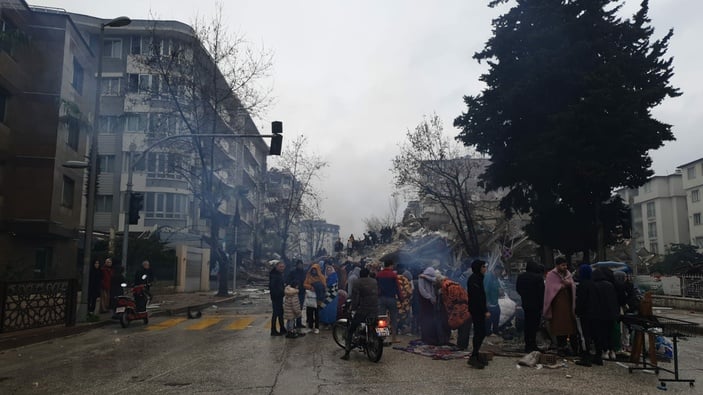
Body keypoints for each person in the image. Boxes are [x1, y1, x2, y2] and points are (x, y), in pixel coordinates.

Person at [341, 268, 379, 360]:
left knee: (351, 329)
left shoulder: (357, 282)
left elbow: (355, 298)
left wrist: (352, 308)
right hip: (376, 308)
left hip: (363, 309)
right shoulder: (374, 281)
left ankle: (347, 353)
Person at [543, 257, 577, 356]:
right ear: (557, 265)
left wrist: (569, 284)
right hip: (557, 305)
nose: (565, 267)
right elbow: (550, 289)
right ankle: (561, 347)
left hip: (567, 304)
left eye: (565, 265)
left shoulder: (568, 274)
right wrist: (561, 286)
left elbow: (573, 285)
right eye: (562, 265)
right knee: (559, 327)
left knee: (568, 327)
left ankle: (566, 346)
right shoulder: (551, 275)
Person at [516, 260, 545, 352]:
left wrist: (524, 296)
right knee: (534, 325)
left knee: (527, 324)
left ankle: (527, 344)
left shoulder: (521, 277)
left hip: (526, 303)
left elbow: (518, 289)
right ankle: (532, 344)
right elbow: (541, 292)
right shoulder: (538, 278)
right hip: (536, 305)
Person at [593, 267, 620, 362]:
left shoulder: (594, 285)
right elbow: (614, 300)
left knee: (601, 333)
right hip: (611, 313)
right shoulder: (610, 285)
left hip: (599, 314)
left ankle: (605, 351)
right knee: (610, 332)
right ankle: (612, 351)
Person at [575, 264, 599, 366]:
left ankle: (586, 356)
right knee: (594, 334)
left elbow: (581, 301)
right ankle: (597, 356)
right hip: (595, 313)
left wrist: (577, 311)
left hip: (584, 314)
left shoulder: (582, 285)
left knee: (584, 335)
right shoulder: (594, 284)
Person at [467, 259, 490, 369]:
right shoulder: (474, 279)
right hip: (477, 310)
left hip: (478, 309)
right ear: (478, 268)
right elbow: (477, 297)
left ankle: (475, 355)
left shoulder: (479, 278)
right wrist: (484, 310)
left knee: (481, 332)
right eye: (483, 267)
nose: (485, 269)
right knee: (479, 332)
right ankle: (473, 356)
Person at [376, 259, 403, 343]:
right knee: (393, 318)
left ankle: (382, 337)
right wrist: (401, 299)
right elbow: (398, 288)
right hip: (391, 298)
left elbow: (376, 287)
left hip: (381, 298)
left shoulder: (378, 274)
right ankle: (393, 337)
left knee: (381, 318)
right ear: (391, 265)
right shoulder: (393, 275)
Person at [304, 262, 326, 333]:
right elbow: (304, 284)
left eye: (315, 270)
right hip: (310, 298)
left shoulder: (321, 277)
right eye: (313, 270)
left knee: (317, 313)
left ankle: (316, 327)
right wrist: (311, 287)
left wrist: (317, 287)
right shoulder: (308, 276)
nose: (314, 271)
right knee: (309, 313)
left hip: (318, 298)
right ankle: (310, 327)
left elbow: (324, 286)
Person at [268, 260, 286, 336]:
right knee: (276, 313)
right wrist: (281, 292)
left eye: (283, 267)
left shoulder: (279, 274)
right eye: (280, 267)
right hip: (276, 297)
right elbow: (273, 287)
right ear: (276, 267)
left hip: (279, 296)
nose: (282, 268)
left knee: (281, 313)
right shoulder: (274, 275)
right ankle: (273, 330)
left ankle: (282, 328)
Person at [287, 260, 307, 328]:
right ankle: (293, 324)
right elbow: (288, 281)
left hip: (302, 292)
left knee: (299, 308)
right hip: (294, 292)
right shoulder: (292, 272)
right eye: (299, 264)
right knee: (293, 308)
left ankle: (299, 323)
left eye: (301, 264)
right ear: (297, 265)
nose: (300, 266)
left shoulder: (304, 272)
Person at [484, 264, 502, 336]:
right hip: (489, 303)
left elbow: (498, 288)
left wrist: (500, 292)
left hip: (495, 302)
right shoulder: (489, 277)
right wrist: (487, 301)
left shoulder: (496, 278)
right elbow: (486, 290)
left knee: (497, 314)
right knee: (488, 318)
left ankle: (495, 331)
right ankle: (487, 332)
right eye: (500, 272)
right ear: (496, 270)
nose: (500, 273)